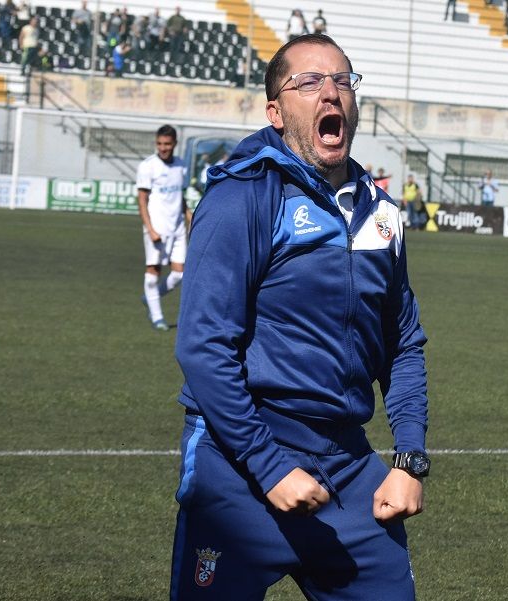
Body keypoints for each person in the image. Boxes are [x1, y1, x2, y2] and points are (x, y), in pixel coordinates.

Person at [170, 34, 430, 600]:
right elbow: (203, 347)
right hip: (238, 465)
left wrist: (409, 457)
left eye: (342, 80)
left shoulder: (380, 213)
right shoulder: (243, 196)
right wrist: (268, 465)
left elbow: (403, 341)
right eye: (309, 82)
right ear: (276, 111)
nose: (330, 91)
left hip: (348, 467)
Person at [136, 125, 189, 331]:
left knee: (179, 275)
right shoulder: (148, 166)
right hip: (157, 227)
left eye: (167, 144)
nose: (163, 148)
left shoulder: (181, 166)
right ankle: (157, 317)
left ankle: (151, 297)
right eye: (159, 144)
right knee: (153, 272)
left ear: (174, 144)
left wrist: (188, 215)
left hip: (177, 228)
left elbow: (179, 195)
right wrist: (150, 228)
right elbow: (142, 200)